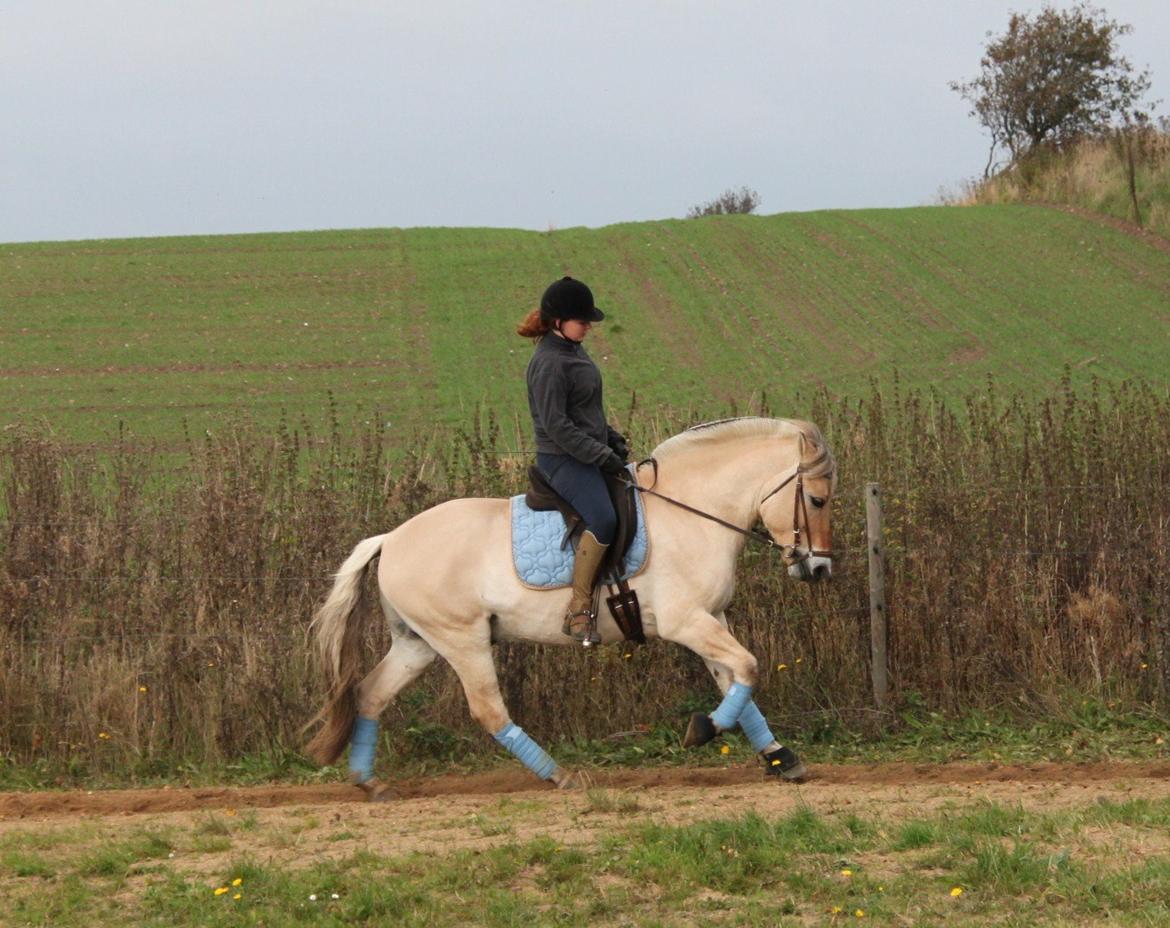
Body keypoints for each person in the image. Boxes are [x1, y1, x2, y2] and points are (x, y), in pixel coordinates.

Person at [517, 276, 630, 645]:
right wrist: (601, 455)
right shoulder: (549, 362)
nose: (589, 327)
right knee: (603, 517)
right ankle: (579, 609)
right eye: (582, 321)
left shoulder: (572, 350)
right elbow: (558, 425)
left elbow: (585, 410)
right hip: (562, 459)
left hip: (586, 452)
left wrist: (612, 439)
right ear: (558, 322)